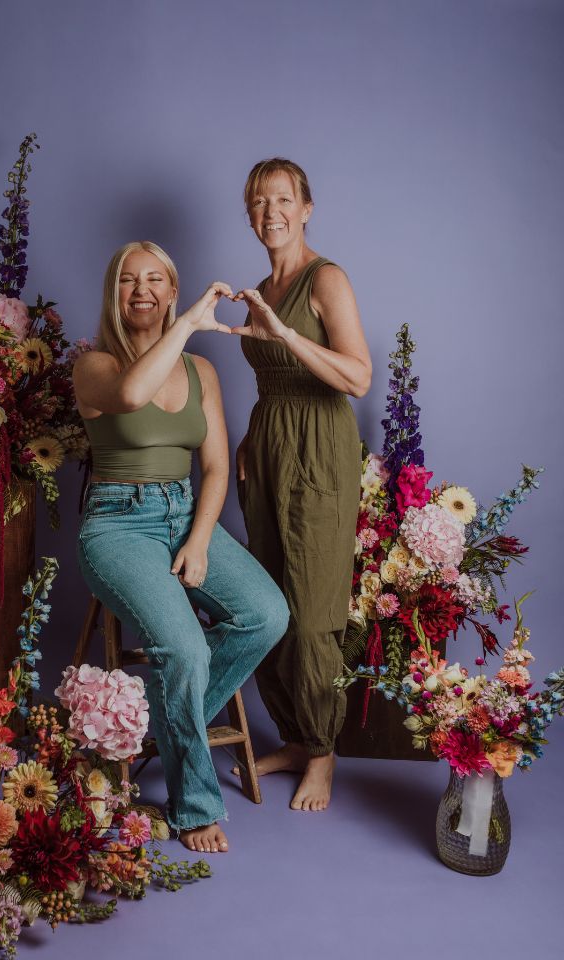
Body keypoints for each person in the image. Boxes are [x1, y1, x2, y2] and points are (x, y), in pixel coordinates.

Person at [73, 241, 290, 853]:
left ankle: (165, 719)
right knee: (187, 649)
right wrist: (191, 322)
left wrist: (198, 542)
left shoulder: (203, 373)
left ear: (171, 289)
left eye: (156, 280)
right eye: (127, 280)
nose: (141, 290)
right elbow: (133, 395)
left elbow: (217, 469)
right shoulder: (93, 366)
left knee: (267, 614)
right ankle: (194, 806)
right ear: (114, 294)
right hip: (117, 526)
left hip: (185, 514)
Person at [231, 159, 372, 811]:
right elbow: (273, 384)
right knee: (271, 600)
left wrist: (285, 332)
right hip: (269, 447)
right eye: (258, 203)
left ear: (307, 207)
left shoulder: (326, 279)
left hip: (319, 446)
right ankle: (293, 735)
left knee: (314, 609)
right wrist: (247, 446)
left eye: (282, 200)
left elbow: (357, 377)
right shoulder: (263, 284)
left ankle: (323, 752)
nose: (270, 214)